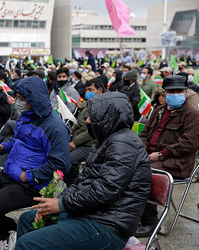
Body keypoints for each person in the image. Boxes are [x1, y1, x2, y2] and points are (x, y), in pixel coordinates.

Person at [15, 91, 151, 250]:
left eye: (92, 117)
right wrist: (57, 202)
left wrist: (62, 204)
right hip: (89, 212)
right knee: (28, 219)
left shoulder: (124, 144)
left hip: (107, 225)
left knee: (27, 244)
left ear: (108, 118)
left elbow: (105, 190)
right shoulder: (104, 142)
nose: (87, 120)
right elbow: (82, 180)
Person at [0, 76, 70, 248]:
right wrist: (2, 147)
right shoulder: (26, 116)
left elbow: (61, 164)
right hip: (9, 173)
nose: (17, 102)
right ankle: (9, 233)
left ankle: (10, 235)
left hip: (30, 185)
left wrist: (28, 176)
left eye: (22, 99)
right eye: (17, 97)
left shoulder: (55, 127)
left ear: (34, 99)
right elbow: (19, 141)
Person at [136, 75, 199, 237]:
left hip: (175, 163)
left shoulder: (192, 115)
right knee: (124, 166)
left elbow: (188, 144)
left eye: (179, 91)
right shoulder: (159, 110)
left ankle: (150, 221)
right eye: (171, 91)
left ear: (186, 93)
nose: (175, 94)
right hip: (151, 157)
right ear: (164, 93)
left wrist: (160, 155)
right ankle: (132, 212)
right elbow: (144, 133)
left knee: (141, 173)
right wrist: (143, 149)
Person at [65, 78, 104, 185]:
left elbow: (90, 132)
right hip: (77, 140)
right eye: (86, 90)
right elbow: (78, 123)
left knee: (70, 160)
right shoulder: (87, 104)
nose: (87, 93)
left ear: (99, 90)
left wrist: (74, 142)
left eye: (90, 90)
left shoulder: (101, 107)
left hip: (89, 144)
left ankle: (74, 186)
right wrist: (71, 133)